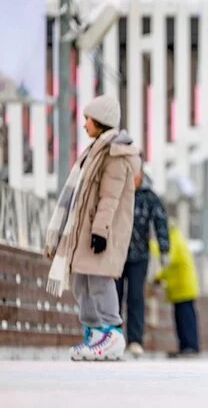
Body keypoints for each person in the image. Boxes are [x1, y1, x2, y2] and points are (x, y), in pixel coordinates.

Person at [43, 94, 141, 361]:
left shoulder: (115, 154)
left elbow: (110, 198)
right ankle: (96, 333)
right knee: (81, 283)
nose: (84, 124)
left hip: (98, 232)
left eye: (88, 119)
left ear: (100, 122)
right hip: (83, 232)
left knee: (99, 281)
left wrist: (100, 231)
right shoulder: (94, 152)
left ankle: (113, 332)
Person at [116, 167, 170, 357]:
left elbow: (160, 221)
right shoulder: (118, 192)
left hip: (140, 256)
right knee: (115, 295)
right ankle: (114, 336)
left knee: (135, 297)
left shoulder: (149, 197)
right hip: (117, 253)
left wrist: (164, 249)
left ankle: (135, 340)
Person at [150, 222, 200, 358]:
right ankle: (185, 347)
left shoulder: (174, 238)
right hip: (181, 289)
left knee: (186, 319)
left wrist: (149, 244)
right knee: (181, 319)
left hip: (183, 288)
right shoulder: (176, 237)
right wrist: (159, 277)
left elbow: (168, 256)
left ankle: (190, 346)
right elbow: (169, 267)